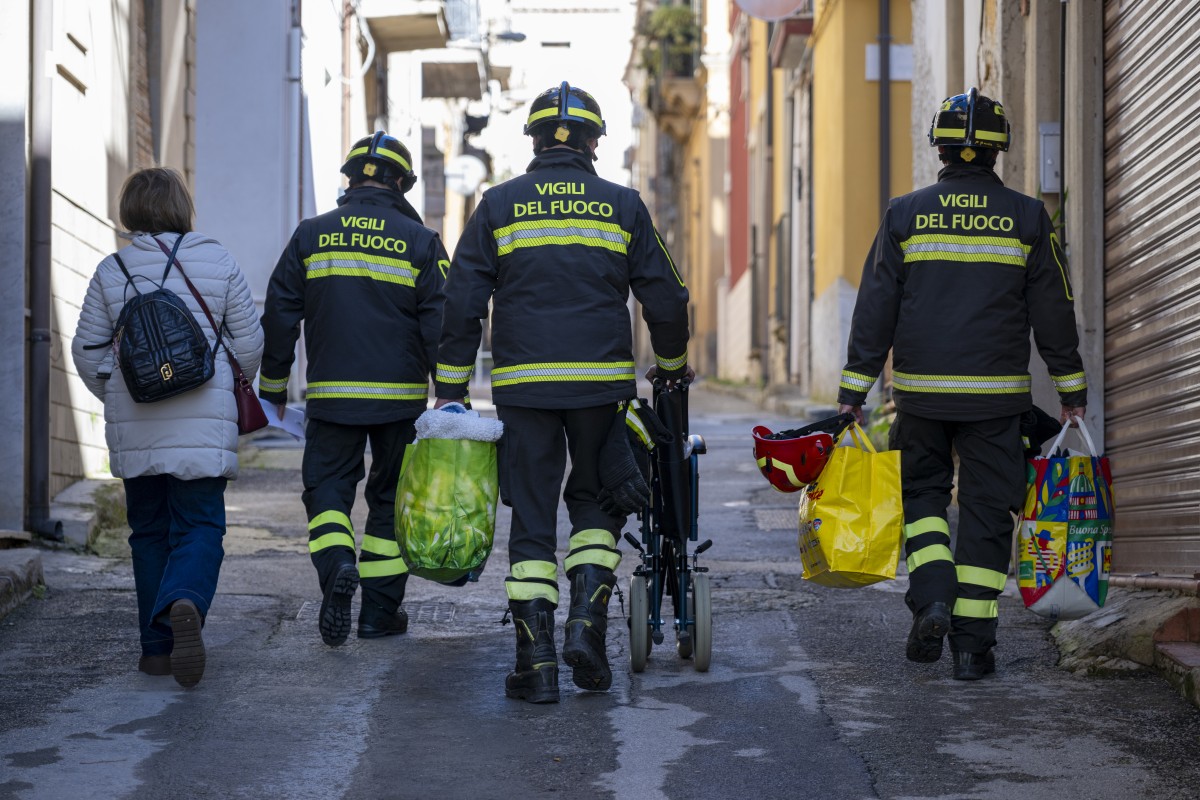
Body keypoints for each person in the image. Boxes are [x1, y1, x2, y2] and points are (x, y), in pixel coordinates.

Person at [433, 81, 691, 704]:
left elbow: (462, 301)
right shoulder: (623, 205)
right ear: (594, 143)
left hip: (523, 387)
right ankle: (586, 626)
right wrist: (671, 367)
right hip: (601, 387)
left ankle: (536, 662)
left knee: (532, 514)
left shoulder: (498, 204)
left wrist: (451, 387)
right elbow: (666, 296)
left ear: (534, 141)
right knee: (599, 501)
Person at [836, 88, 1088, 681]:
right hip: (996, 402)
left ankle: (931, 598)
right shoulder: (1028, 217)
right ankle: (973, 650)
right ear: (1000, 151)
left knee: (922, 498)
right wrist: (1071, 392)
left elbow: (875, 307)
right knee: (987, 514)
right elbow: (1055, 312)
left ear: (940, 148)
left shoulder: (905, 214)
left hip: (920, 396)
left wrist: (853, 392)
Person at [71, 167, 264, 688]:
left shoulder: (112, 269)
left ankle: (156, 652)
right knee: (200, 525)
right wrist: (223, 382)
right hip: (203, 423)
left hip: (136, 427)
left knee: (149, 533)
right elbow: (249, 344)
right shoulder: (218, 261)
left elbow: (87, 351)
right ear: (182, 207)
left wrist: (120, 393)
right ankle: (186, 601)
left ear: (130, 211)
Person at [258, 132, 448, 648]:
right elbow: (442, 324)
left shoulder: (311, 234)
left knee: (327, 490)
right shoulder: (421, 241)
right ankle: (378, 615)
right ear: (402, 183)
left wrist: (274, 385)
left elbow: (279, 312)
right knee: (391, 499)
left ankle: (338, 563)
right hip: (400, 403)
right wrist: (450, 393)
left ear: (349, 180)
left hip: (332, 397)